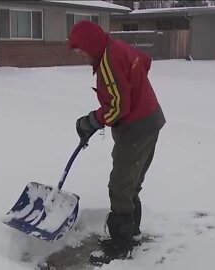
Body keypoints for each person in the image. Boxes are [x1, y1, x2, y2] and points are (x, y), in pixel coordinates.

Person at [67, 21, 166, 264]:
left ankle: (121, 245)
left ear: (91, 44)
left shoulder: (107, 63)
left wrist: (93, 120)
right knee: (132, 182)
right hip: (152, 120)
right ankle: (131, 233)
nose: (80, 55)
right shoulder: (117, 47)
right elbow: (144, 60)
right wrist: (134, 83)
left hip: (135, 129)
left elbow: (118, 108)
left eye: (81, 50)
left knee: (120, 185)